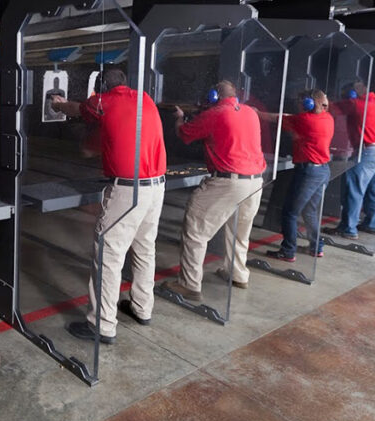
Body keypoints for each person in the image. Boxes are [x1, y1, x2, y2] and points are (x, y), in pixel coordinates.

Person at [48, 67, 167, 344]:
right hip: (156, 187)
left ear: (100, 89)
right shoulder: (144, 99)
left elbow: (78, 109)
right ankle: (141, 307)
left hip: (128, 189)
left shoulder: (102, 102)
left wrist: (57, 104)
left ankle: (101, 326)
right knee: (144, 249)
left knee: (108, 254)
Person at [160, 80, 265, 301]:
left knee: (195, 231)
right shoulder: (249, 112)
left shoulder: (216, 113)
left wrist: (179, 118)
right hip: (255, 182)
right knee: (239, 232)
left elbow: (185, 135)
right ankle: (237, 273)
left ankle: (189, 284)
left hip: (229, 181)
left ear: (214, 96)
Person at [263, 89, 334, 262]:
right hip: (323, 170)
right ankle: (316, 247)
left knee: (289, 213)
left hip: (309, 172)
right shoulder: (327, 117)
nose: (298, 104)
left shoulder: (304, 119)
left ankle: (288, 251)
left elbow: (277, 118)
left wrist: (256, 113)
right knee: (310, 211)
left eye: (301, 101)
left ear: (309, 103)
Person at [326, 82, 375, 240]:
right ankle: (373, 225)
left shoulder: (357, 104)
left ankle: (348, 228)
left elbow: (328, 107)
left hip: (369, 151)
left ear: (352, 95)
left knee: (354, 190)